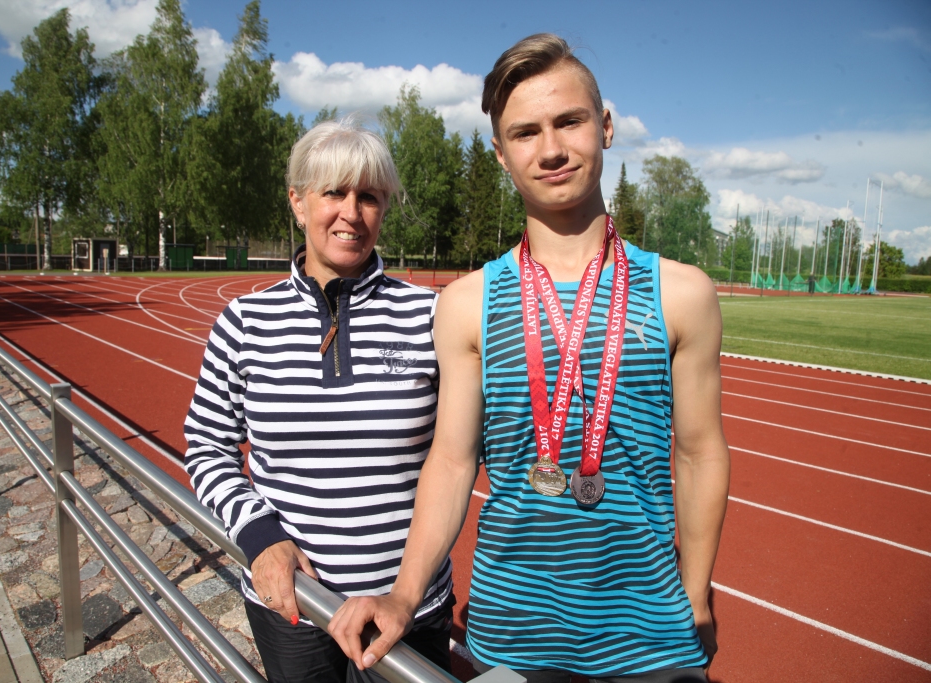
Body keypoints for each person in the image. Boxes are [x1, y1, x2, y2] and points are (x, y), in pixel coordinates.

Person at [328, 34, 730, 683]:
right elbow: (453, 459)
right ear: (500, 154)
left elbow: (700, 451)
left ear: (604, 126)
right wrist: (404, 593)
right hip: (512, 635)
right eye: (525, 133)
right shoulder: (466, 304)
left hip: (654, 635)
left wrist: (698, 590)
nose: (550, 149)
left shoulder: (683, 294)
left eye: (568, 121)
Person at [184, 117, 454, 683]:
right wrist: (259, 538)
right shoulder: (244, 323)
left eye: (370, 197)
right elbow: (206, 447)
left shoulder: (431, 316)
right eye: (333, 192)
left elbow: (461, 453)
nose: (351, 214)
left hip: (408, 611)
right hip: (295, 608)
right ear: (298, 201)